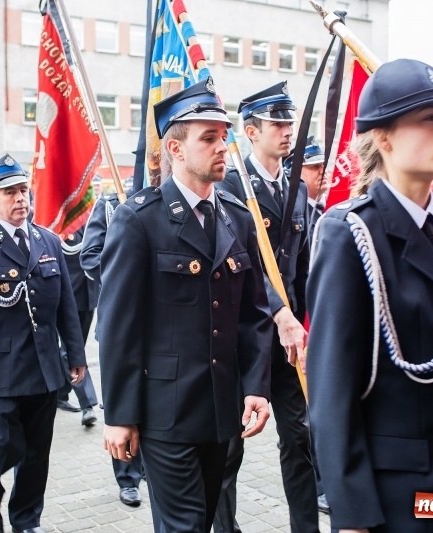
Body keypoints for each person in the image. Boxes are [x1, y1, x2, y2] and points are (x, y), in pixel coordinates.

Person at [306, 58, 433, 533]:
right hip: (395, 496)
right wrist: (353, 517)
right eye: (431, 118)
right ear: (384, 137)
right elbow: (332, 391)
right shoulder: (350, 232)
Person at [98, 79, 273, 533]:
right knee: (183, 527)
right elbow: (118, 327)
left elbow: (254, 314)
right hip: (165, 413)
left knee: (209, 516)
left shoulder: (236, 215)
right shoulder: (139, 220)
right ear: (175, 148)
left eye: (224, 135)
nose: (223, 146)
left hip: (222, 411)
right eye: (209, 137)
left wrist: (257, 385)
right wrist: (119, 415)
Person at [0, 154, 87, 533]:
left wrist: (75, 355)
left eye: (23, 191)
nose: (20, 199)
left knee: (37, 452)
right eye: (9, 193)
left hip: (44, 368)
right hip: (1, 369)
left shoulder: (48, 241)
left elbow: (66, 307)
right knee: (2, 444)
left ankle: (27, 519)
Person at [215, 81, 318, 533]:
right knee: (229, 448)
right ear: (251, 132)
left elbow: (305, 267)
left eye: (289, 122)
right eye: (277, 123)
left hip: (293, 339)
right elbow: (248, 266)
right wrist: (280, 315)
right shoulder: (230, 186)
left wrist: (311, 319)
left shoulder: (297, 186)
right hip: (246, 336)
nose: (286, 130)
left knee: (301, 440)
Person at [81, 188, 146, 507]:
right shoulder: (112, 203)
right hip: (122, 324)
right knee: (124, 402)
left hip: (163, 328)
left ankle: (149, 465)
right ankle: (127, 477)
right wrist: (128, 274)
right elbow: (89, 255)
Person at [56, 225, 100, 426]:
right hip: (66, 297)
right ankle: (87, 404)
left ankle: (60, 392)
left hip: (88, 295)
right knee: (71, 350)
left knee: (76, 347)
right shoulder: (55, 218)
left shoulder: (89, 219)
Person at [286, 136, 329, 239]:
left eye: (324, 165)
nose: (323, 171)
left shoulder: (334, 203)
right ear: (294, 173)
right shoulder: (292, 214)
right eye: (315, 167)